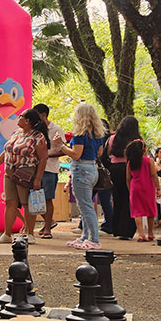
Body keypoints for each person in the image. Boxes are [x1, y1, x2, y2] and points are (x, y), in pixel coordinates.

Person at [0, 108, 49, 244]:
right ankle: (7, 234)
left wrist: (38, 179)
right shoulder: (16, 133)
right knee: (10, 202)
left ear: (27, 121)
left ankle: (30, 233)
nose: (18, 118)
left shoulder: (38, 137)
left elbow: (43, 159)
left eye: (21, 116)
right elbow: (6, 152)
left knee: (26, 203)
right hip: (9, 172)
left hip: (26, 172)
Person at [56, 103, 107, 250]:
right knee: (85, 204)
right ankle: (85, 236)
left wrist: (62, 146)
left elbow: (76, 154)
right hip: (92, 169)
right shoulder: (98, 134)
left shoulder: (80, 134)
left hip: (81, 170)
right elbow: (99, 153)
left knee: (85, 206)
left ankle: (94, 239)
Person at [106, 115, 142, 240]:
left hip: (115, 169)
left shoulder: (113, 138)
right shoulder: (138, 140)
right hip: (131, 168)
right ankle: (127, 230)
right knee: (129, 199)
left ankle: (116, 228)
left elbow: (108, 153)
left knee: (117, 198)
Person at [33, 103, 65, 238]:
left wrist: (46, 155)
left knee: (47, 199)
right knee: (33, 199)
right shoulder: (35, 130)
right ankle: (49, 221)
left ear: (43, 115)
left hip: (50, 169)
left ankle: (47, 229)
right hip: (35, 169)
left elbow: (63, 150)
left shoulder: (56, 129)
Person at [125, 140, 160, 242]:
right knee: (150, 210)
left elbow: (128, 178)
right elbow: (153, 175)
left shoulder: (130, 163)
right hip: (148, 186)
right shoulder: (149, 161)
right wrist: (158, 188)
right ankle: (150, 233)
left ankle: (141, 234)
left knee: (137, 212)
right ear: (144, 150)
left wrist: (130, 190)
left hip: (135, 187)